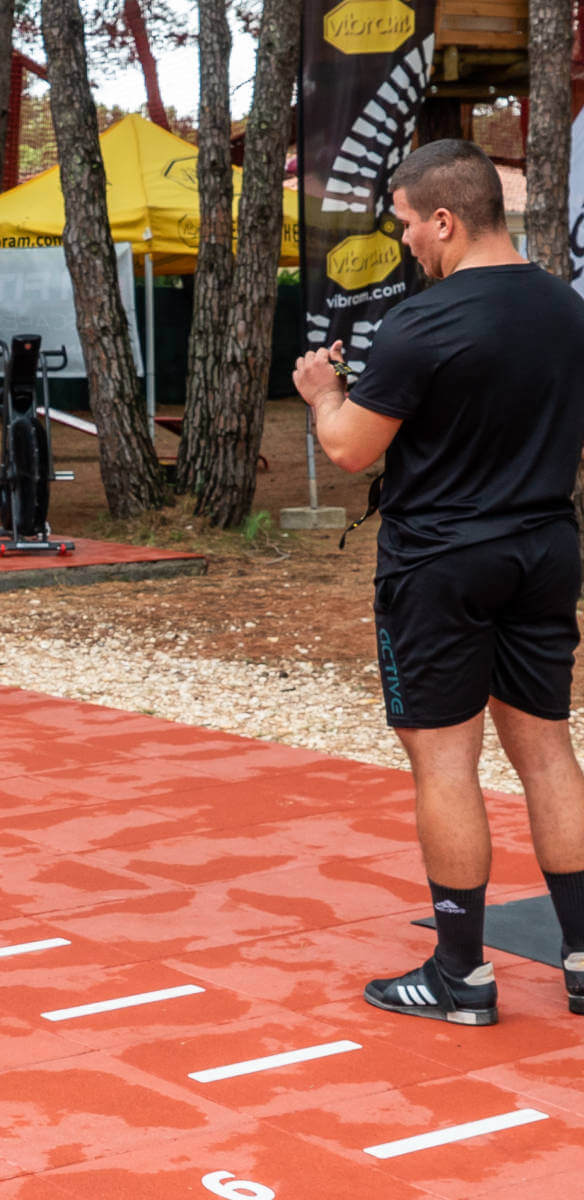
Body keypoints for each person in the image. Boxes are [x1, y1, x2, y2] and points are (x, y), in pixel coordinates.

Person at [293, 138, 584, 1025]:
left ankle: (461, 974)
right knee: (547, 752)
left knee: (446, 762)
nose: (407, 239)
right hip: (543, 550)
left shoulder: (425, 324)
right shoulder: (569, 310)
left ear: (448, 219)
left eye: (411, 223)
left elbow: (350, 449)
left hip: (442, 563)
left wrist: (320, 391)